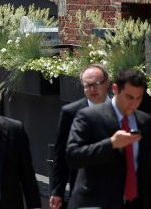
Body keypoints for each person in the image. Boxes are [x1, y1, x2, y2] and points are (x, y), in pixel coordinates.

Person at [66, 69, 151, 209]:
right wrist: (110, 144)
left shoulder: (147, 124)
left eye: (139, 98)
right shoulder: (89, 117)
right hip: (96, 203)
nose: (134, 104)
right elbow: (73, 156)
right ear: (115, 89)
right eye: (129, 97)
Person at [50, 64, 112, 209]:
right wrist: (57, 191)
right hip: (83, 192)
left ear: (107, 82)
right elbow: (61, 154)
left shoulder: (121, 108)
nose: (92, 89)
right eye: (87, 85)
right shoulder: (71, 113)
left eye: (96, 84)